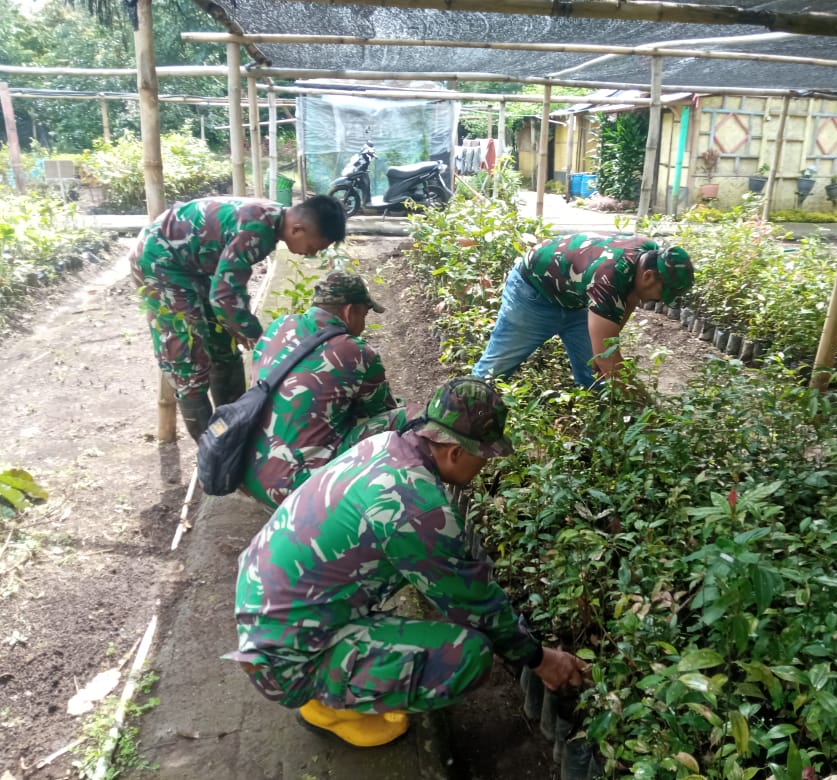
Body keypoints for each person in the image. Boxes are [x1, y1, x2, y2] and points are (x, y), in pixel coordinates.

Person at [227, 376, 587, 748]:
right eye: (485, 456)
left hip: (266, 603)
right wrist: (539, 658)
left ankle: (335, 672)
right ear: (455, 452)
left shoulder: (385, 445)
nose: (486, 467)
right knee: (468, 655)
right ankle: (328, 703)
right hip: (283, 659)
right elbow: (474, 603)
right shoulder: (414, 508)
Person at [129, 195, 347, 441]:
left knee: (223, 345)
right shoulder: (258, 230)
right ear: (298, 229)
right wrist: (261, 339)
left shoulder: (273, 218)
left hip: (191, 263)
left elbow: (226, 291)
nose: (309, 255)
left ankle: (232, 431)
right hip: (160, 260)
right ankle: (213, 452)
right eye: (313, 247)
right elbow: (225, 295)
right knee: (188, 358)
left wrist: (242, 330)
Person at [242, 270, 408, 508]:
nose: (364, 324)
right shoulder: (357, 352)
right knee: (403, 418)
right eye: (365, 314)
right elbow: (381, 412)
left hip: (250, 473)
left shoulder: (278, 326)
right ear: (350, 311)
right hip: (297, 491)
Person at [471, 234, 694, 388]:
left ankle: (595, 426)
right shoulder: (608, 279)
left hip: (576, 297)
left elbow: (630, 298)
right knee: (493, 372)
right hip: (532, 294)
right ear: (648, 276)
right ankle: (455, 416)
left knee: (596, 378)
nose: (658, 301)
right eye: (661, 293)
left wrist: (609, 342)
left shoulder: (649, 254)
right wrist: (644, 408)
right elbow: (609, 361)